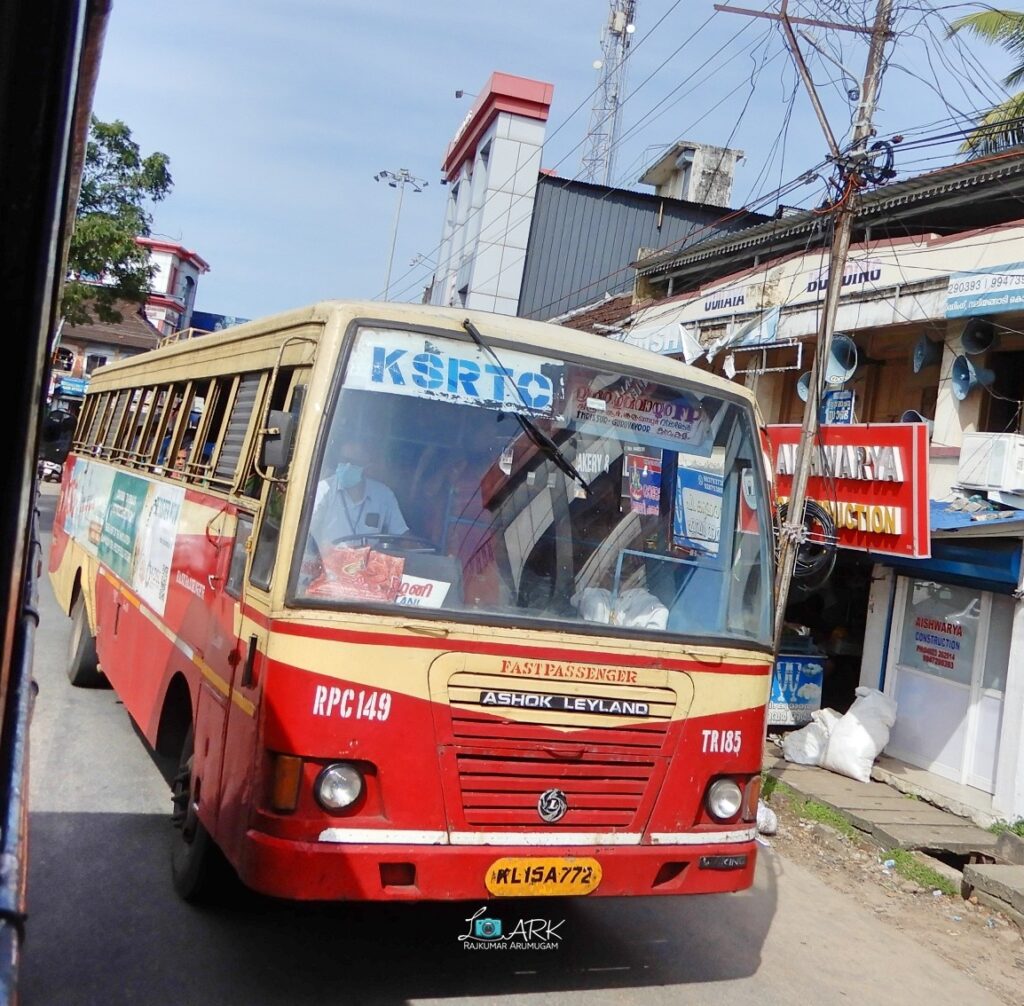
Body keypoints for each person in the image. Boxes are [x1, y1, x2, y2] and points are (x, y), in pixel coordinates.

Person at [310, 440, 409, 548]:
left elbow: (401, 534)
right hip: (329, 557)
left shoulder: (383, 495)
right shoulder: (323, 490)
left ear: (366, 467)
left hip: (368, 558)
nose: (347, 466)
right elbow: (306, 530)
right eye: (344, 460)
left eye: (354, 463)